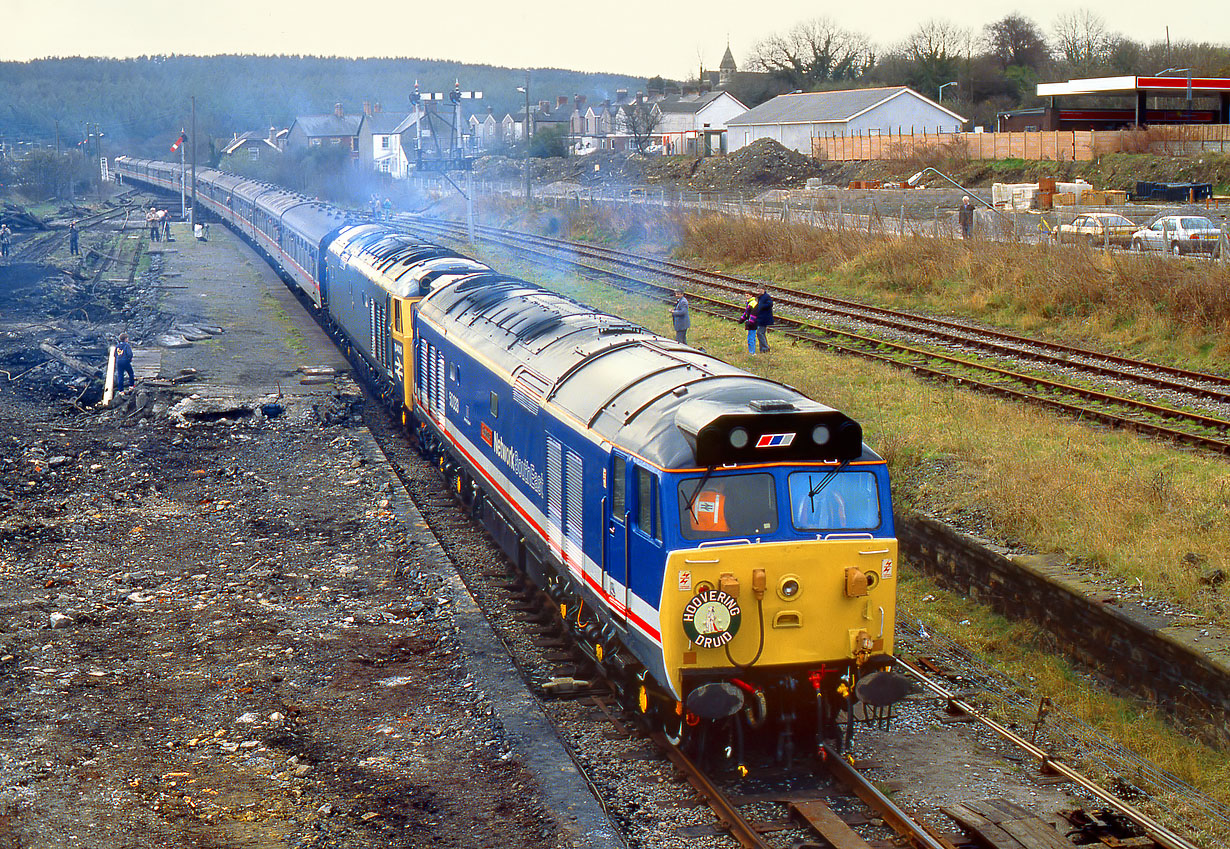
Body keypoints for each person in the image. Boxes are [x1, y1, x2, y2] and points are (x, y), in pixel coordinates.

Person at [753, 286, 774, 354]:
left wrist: (761, 306)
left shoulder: (766, 297)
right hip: (760, 318)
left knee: (760, 333)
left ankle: (765, 348)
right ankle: (762, 349)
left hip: (764, 318)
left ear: (764, 289)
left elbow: (770, 304)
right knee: (761, 333)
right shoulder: (760, 297)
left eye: (760, 289)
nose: (758, 290)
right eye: (758, 289)